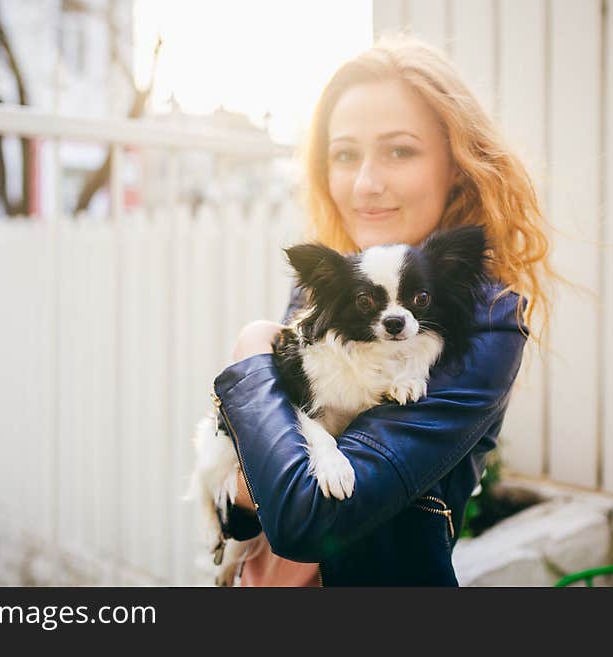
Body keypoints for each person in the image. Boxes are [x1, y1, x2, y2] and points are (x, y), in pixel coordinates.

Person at [212, 34, 553, 586]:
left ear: (458, 164)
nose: (367, 183)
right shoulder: (329, 294)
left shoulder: (485, 317)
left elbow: (308, 515)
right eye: (345, 154)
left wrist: (252, 349)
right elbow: (241, 505)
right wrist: (243, 488)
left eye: (400, 150)